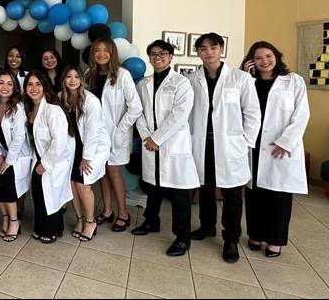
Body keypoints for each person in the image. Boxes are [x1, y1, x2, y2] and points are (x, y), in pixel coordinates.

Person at [188, 32, 261, 263]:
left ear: (221, 50)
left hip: (230, 146)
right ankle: (207, 227)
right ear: (198, 53)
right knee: (205, 188)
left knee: (232, 195)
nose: (208, 52)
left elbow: (252, 113)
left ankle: (231, 239)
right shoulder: (192, 79)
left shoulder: (241, 79)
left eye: (213, 47)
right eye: (203, 48)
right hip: (201, 143)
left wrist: (245, 142)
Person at [240, 41, 310, 257]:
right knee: (254, 194)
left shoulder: (293, 82)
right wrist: (244, 77)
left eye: (268, 56)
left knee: (279, 196)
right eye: (258, 58)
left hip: (279, 145)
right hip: (252, 143)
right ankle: (255, 234)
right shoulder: (247, 82)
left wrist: (286, 142)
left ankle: (275, 240)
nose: (264, 61)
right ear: (252, 61)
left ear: (277, 56)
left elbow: (302, 115)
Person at [132, 40, 199, 256]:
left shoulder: (181, 83)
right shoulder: (143, 84)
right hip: (150, 144)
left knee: (180, 194)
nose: (157, 57)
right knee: (153, 187)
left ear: (171, 57)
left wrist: (157, 139)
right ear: (149, 57)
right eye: (153, 53)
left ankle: (182, 238)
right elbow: (138, 113)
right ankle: (151, 221)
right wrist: (147, 138)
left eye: (163, 53)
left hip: (173, 144)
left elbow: (180, 115)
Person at [85, 37, 143, 232]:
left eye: (105, 50)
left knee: (113, 172)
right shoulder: (88, 74)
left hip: (116, 133)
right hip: (95, 134)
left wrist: (120, 130)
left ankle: (123, 213)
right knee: (101, 173)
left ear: (112, 53)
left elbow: (135, 108)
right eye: (97, 50)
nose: (101, 54)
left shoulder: (122, 75)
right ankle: (108, 210)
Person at [59, 65, 111, 242]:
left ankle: (90, 222)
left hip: (93, 148)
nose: (72, 80)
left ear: (81, 80)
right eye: (68, 76)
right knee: (72, 183)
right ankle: (80, 219)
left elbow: (92, 132)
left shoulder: (90, 101)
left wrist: (86, 158)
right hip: (73, 147)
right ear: (63, 80)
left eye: (76, 77)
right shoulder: (61, 98)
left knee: (83, 184)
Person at [24, 71, 75, 244]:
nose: (34, 88)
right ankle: (41, 227)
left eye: (38, 84)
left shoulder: (52, 110)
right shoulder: (30, 109)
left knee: (50, 196)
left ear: (45, 87)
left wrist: (45, 164)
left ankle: (51, 229)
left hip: (53, 161)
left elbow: (60, 141)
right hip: (38, 157)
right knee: (39, 195)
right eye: (30, 84)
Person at [0, 70, 32, 242]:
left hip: (17, 155)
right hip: (2, 153)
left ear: (15, 87)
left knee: (7, 185)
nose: (5, 87)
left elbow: (19, 137)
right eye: (1, 83)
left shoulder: (18, 107)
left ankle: (14, 221)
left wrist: (8, 160)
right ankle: (5, 217)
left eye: (9, 84)